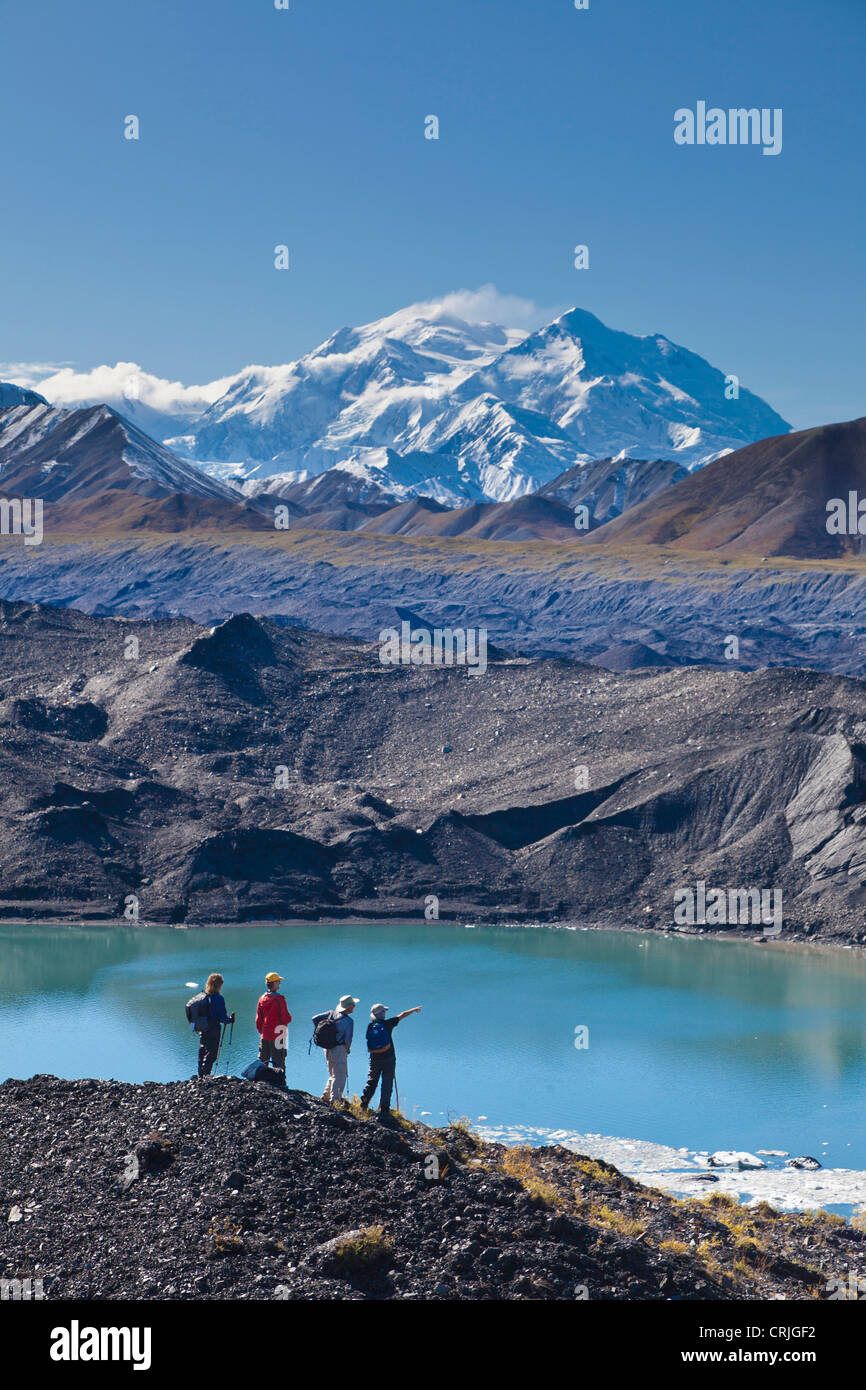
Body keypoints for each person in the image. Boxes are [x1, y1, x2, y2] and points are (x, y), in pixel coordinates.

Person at [360, 1002, 422, 1120]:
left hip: (374, 1058)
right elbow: (402, 1015)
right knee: (387, 1082)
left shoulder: (370, 1026)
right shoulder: (388, 1024)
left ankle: (364, 1104)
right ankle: (384, 1109)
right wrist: (414, 1009)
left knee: (372, 1081)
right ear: (382, 1014)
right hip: (389, 1058)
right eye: (384, 1011)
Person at [312, 995, 358, 1107]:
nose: (354, 1006)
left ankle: (326, 1097)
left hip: (327, 1048)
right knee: (340, 1075)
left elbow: (314, 1018)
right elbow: (348, 1039)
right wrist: (347, 1050)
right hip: (339, 1049)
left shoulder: (331, 1013)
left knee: (333, 1074)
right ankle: (335, 1101)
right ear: (348, 1007)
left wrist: (320, 1032)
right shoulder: (349, 1021)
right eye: (353, 1005)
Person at [197, 973, 235, 1077]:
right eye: (221, 983)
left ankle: (201, 1076)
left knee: (203, 1050)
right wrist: (231, 1020)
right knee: (212, 1053)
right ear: (219, 985)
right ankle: (206, 1075)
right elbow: (223, 1017)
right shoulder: (218, 998)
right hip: (213, 1029)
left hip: (203, 1028)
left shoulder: (203, 996)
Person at [256, 971, 292, 1079]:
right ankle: (281, 1082)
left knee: (263, 1060)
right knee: (279, 1060)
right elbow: (285, 1017)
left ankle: (260, 1080)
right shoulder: (279, 999)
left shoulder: (262, 998)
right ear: (274, 984)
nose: (280, 984)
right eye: (278, 982)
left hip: (265, 1034)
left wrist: (262, 1032)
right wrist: (289, 1020)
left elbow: (258, 1019)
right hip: (279, 1034)